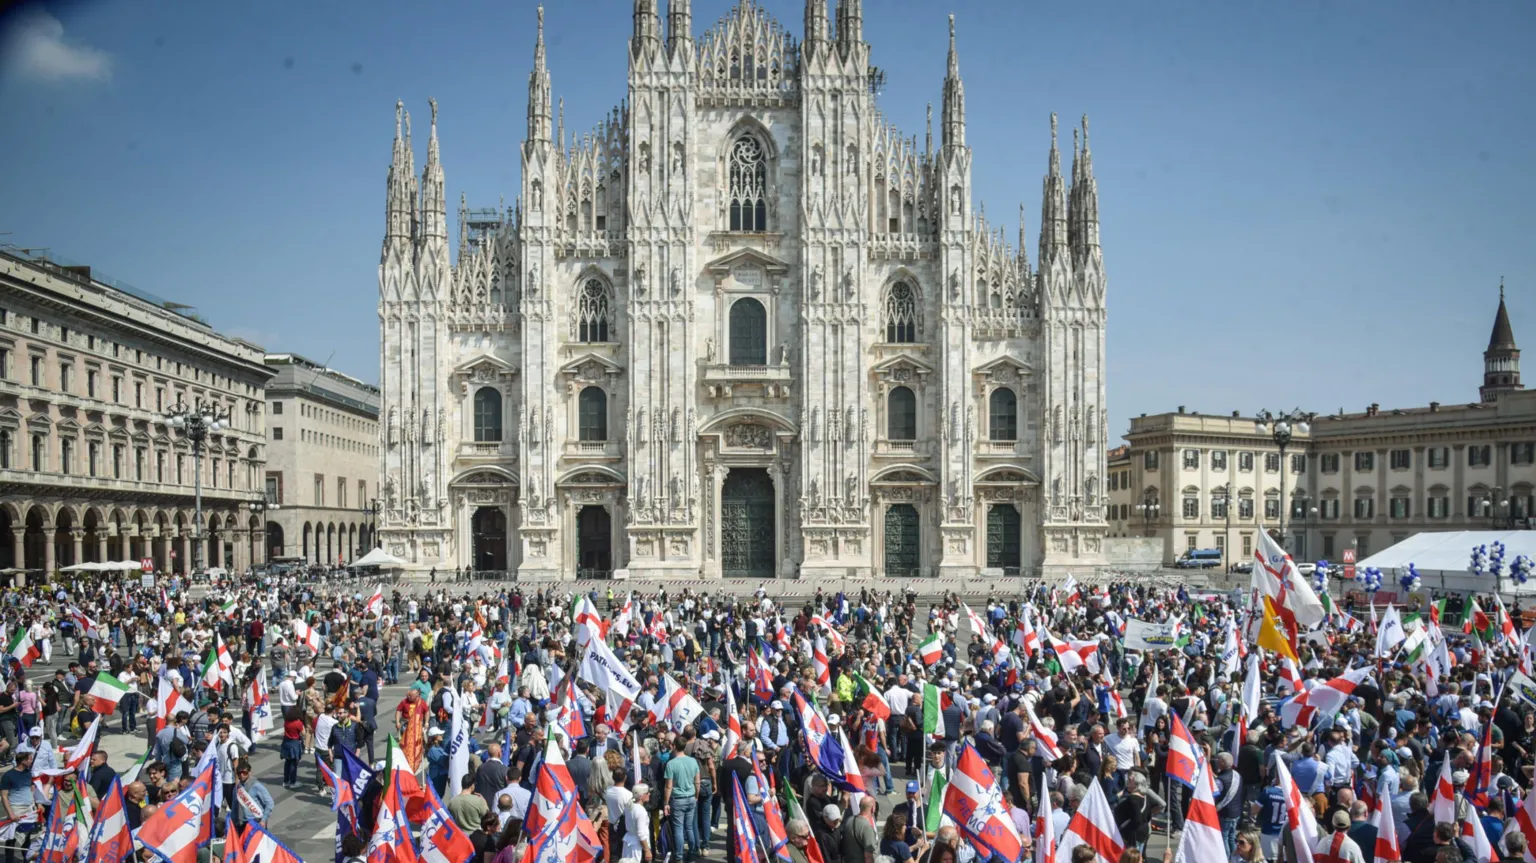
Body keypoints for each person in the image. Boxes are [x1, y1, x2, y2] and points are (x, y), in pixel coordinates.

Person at [620, 783, 652, 863]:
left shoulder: (629, 806)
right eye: (647, 793)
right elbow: (640, 833)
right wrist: (647, 850)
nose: (649, 794)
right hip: (637, 846)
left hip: (628, 842)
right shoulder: (641, 811)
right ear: (641, 796)